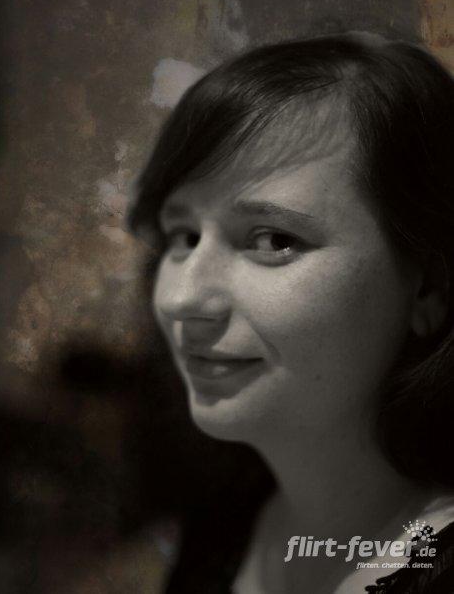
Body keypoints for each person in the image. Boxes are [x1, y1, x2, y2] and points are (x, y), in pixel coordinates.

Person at [128, 32, 454, 593]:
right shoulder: (222, 521)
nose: (182, 299)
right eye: (183, 236)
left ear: (428, 288)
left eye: (274, 239)